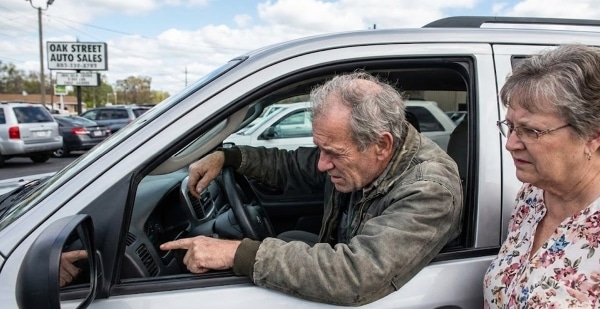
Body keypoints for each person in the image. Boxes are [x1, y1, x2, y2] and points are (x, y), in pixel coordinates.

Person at [161, 71, 463, 306]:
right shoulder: (362, 158)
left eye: (333, 153)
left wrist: (236, 253)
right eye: (321, 149)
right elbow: (291, 165)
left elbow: (356, 274)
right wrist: (227, 157)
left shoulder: (429, 189)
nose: (322, 164)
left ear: (381, 144)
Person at [483, 44, 600, 308]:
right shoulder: (532, 196)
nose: (510, 143)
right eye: (510, 126)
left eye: (531, 131)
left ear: (592, 135)